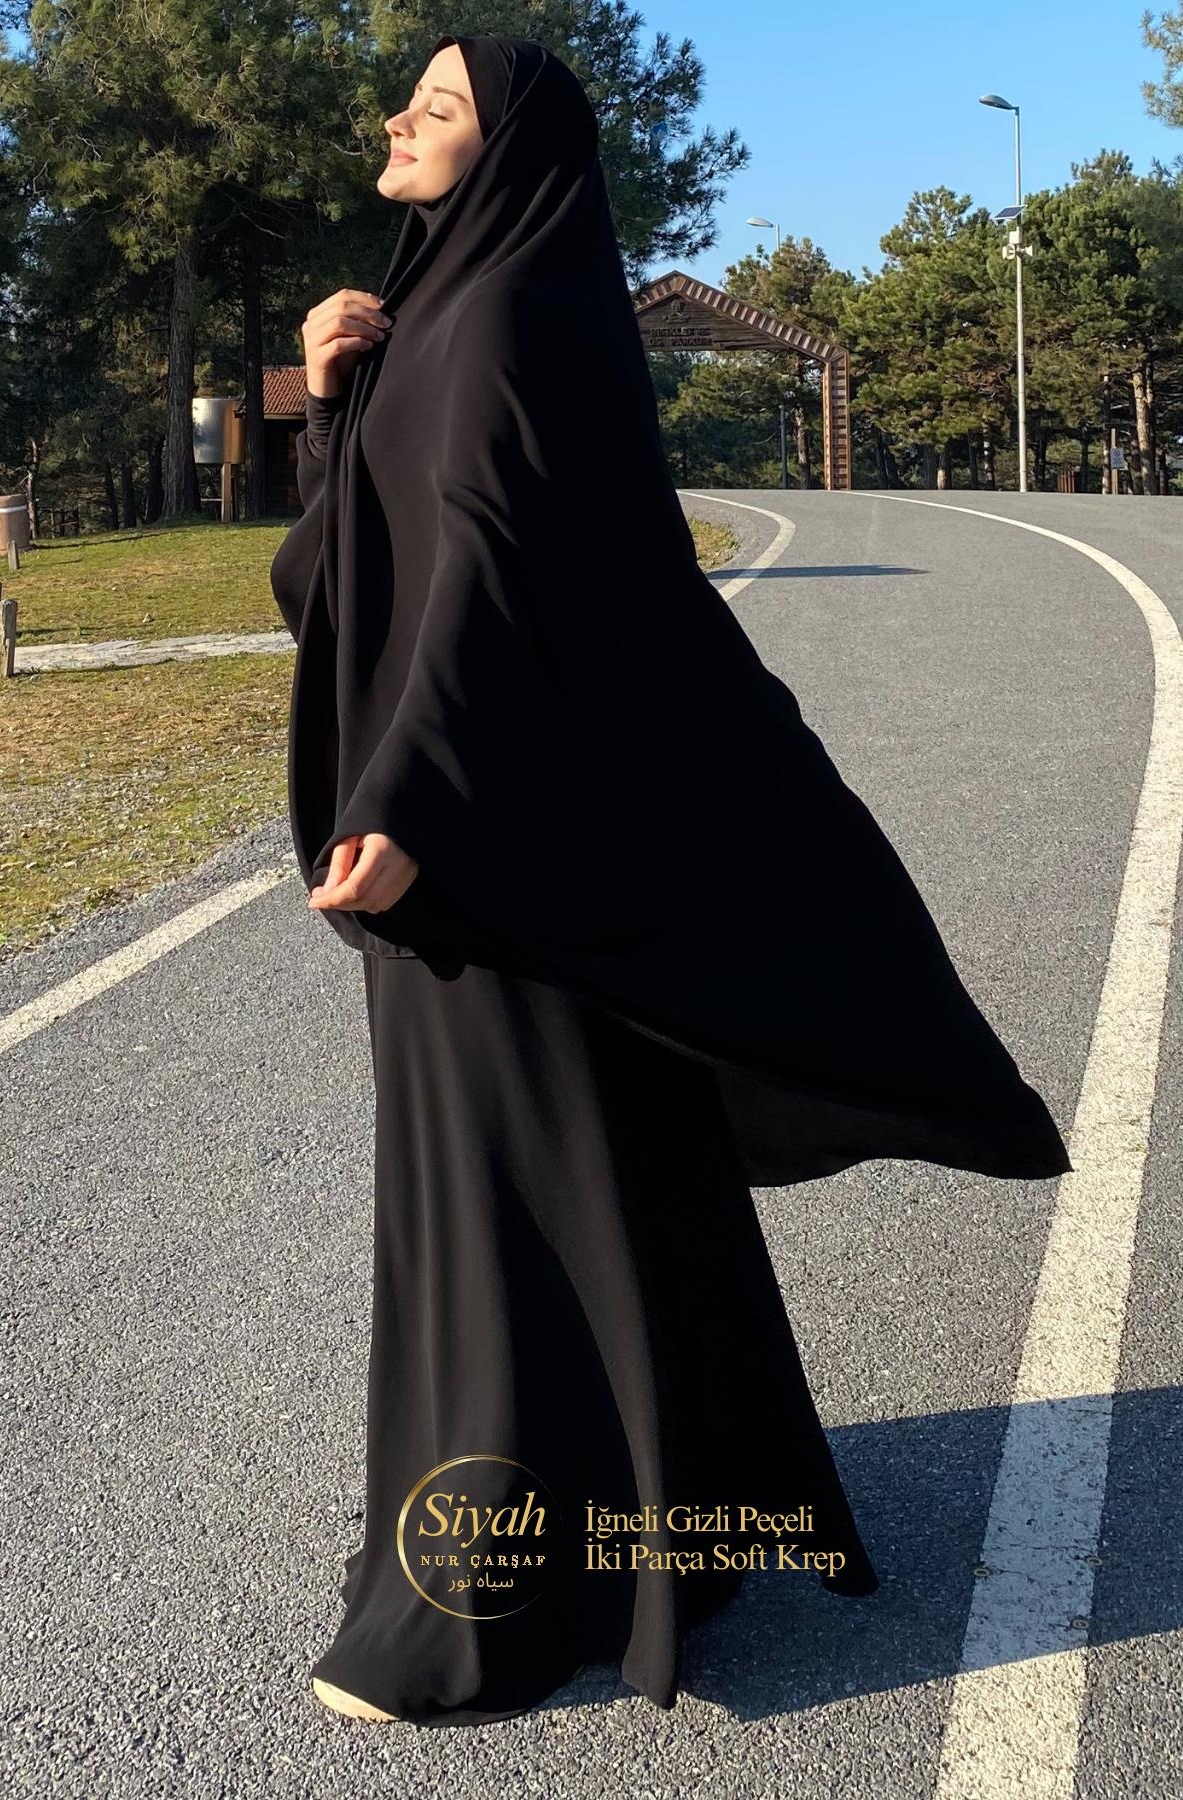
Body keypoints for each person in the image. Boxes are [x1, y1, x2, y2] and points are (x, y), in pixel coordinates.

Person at [270, 34, 1071, 1729]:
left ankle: (474, 1609)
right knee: (592, 1170)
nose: (400, 119)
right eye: (409, 99)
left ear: (509, 153)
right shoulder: (437, 317)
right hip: (490, 821)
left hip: (472, 835)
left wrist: (412, 800)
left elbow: (493, 579)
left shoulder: (503, 320)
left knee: (498, 1199)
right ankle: (660, 1531)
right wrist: (331, 411)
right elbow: (339, 581)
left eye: (439, 106)